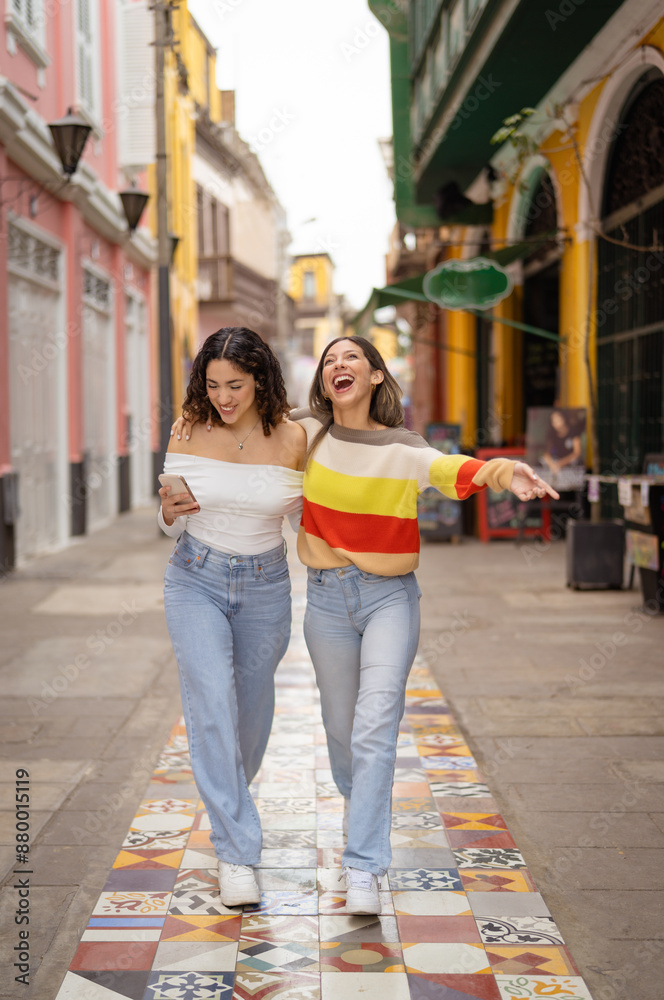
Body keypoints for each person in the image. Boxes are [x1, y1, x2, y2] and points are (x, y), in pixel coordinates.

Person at [289, 336, 558, 914]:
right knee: (341, 734)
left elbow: (450, 468)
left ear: (376, 377)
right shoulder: (306, 434)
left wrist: (505, 471)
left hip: (389, 600)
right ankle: (363, 817)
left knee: (374, 725)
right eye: (330, 360)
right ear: (323, 381)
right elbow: (247, 438)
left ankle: (363, 865)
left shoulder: (403, 447)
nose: (339, 366)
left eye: (351, 358)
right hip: (325, 603)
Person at [159, 327, 306, 907]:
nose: (224, 396)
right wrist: (168, 513)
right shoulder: (187, 429)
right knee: (212, 700)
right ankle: (237, 850)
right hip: (195, 577)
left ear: (261, 379)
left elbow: (304, 524)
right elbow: (168, 521)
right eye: (214, 384)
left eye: (236, 385)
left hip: (267, 584)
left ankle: (228, 797)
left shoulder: (294, 438)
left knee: (252, 710)